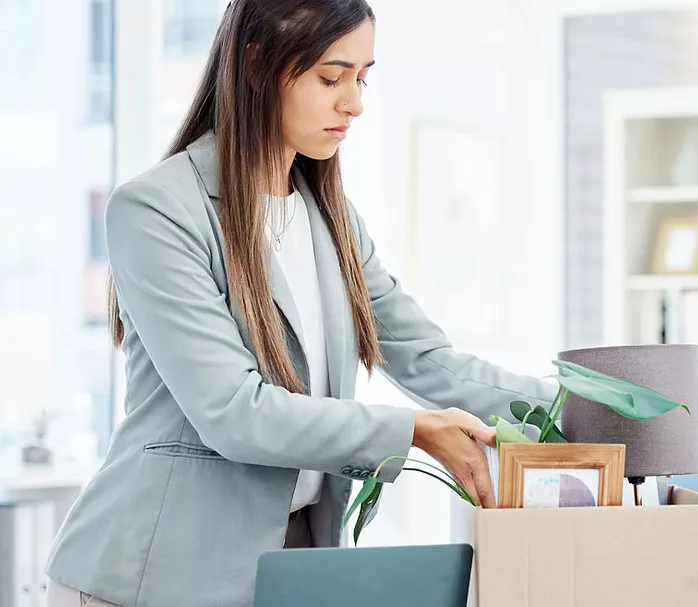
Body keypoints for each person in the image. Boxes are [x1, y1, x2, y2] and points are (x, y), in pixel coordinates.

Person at [43, 1, 556, 605]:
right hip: (152, 576)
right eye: (331, 77)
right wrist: (413, 431)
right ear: (258, 66)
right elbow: (234, 411)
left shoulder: (329, 220)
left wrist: (577, 408)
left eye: (362, 78)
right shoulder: (158, 210)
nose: (354, 103)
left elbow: (428, 360)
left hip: (288, 565)